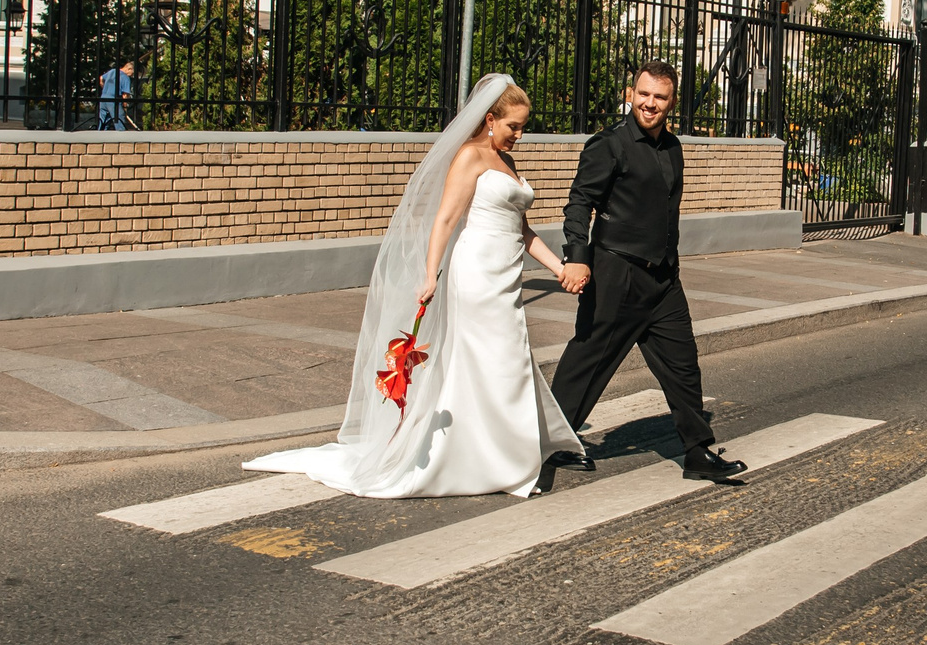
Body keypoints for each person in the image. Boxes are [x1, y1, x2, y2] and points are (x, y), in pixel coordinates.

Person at [244, 74, 585, 498]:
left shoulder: (507, 162)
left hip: (506, 276)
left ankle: (500, 454)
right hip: (476, 274)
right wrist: (430, 274)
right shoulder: (470, 157)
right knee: (497, 359)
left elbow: (524, 229)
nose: (519, 134)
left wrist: (560, 268)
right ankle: (501, 460)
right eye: (514, 125)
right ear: (491, 118)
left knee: (504, 359)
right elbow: (444, 220)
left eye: (523, 126)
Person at [548, 61, 746, 483]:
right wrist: (577, 256)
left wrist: (669, 262)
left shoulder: (673, 148)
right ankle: (550, 443)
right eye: (644, 94)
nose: (650, 103)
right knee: (589, 360)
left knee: (683, 365)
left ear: (671, 102)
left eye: (660, 97)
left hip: (663, 279)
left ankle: (696, 452)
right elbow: (580, 203)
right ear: (630, 94)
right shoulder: (609, 145)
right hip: (615, 273)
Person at [97, 58, 136, 130]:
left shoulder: (112, 71)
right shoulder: (125, 78)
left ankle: (100, 136)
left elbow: (101, 78)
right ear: (129, 69)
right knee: (119, 120)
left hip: (103, 99)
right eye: (132, 73)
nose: (132, 75)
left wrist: (105, 88)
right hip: (113, 101)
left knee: (103, 121)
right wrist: (125, 106)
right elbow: (125, 95)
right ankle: (121, 138)